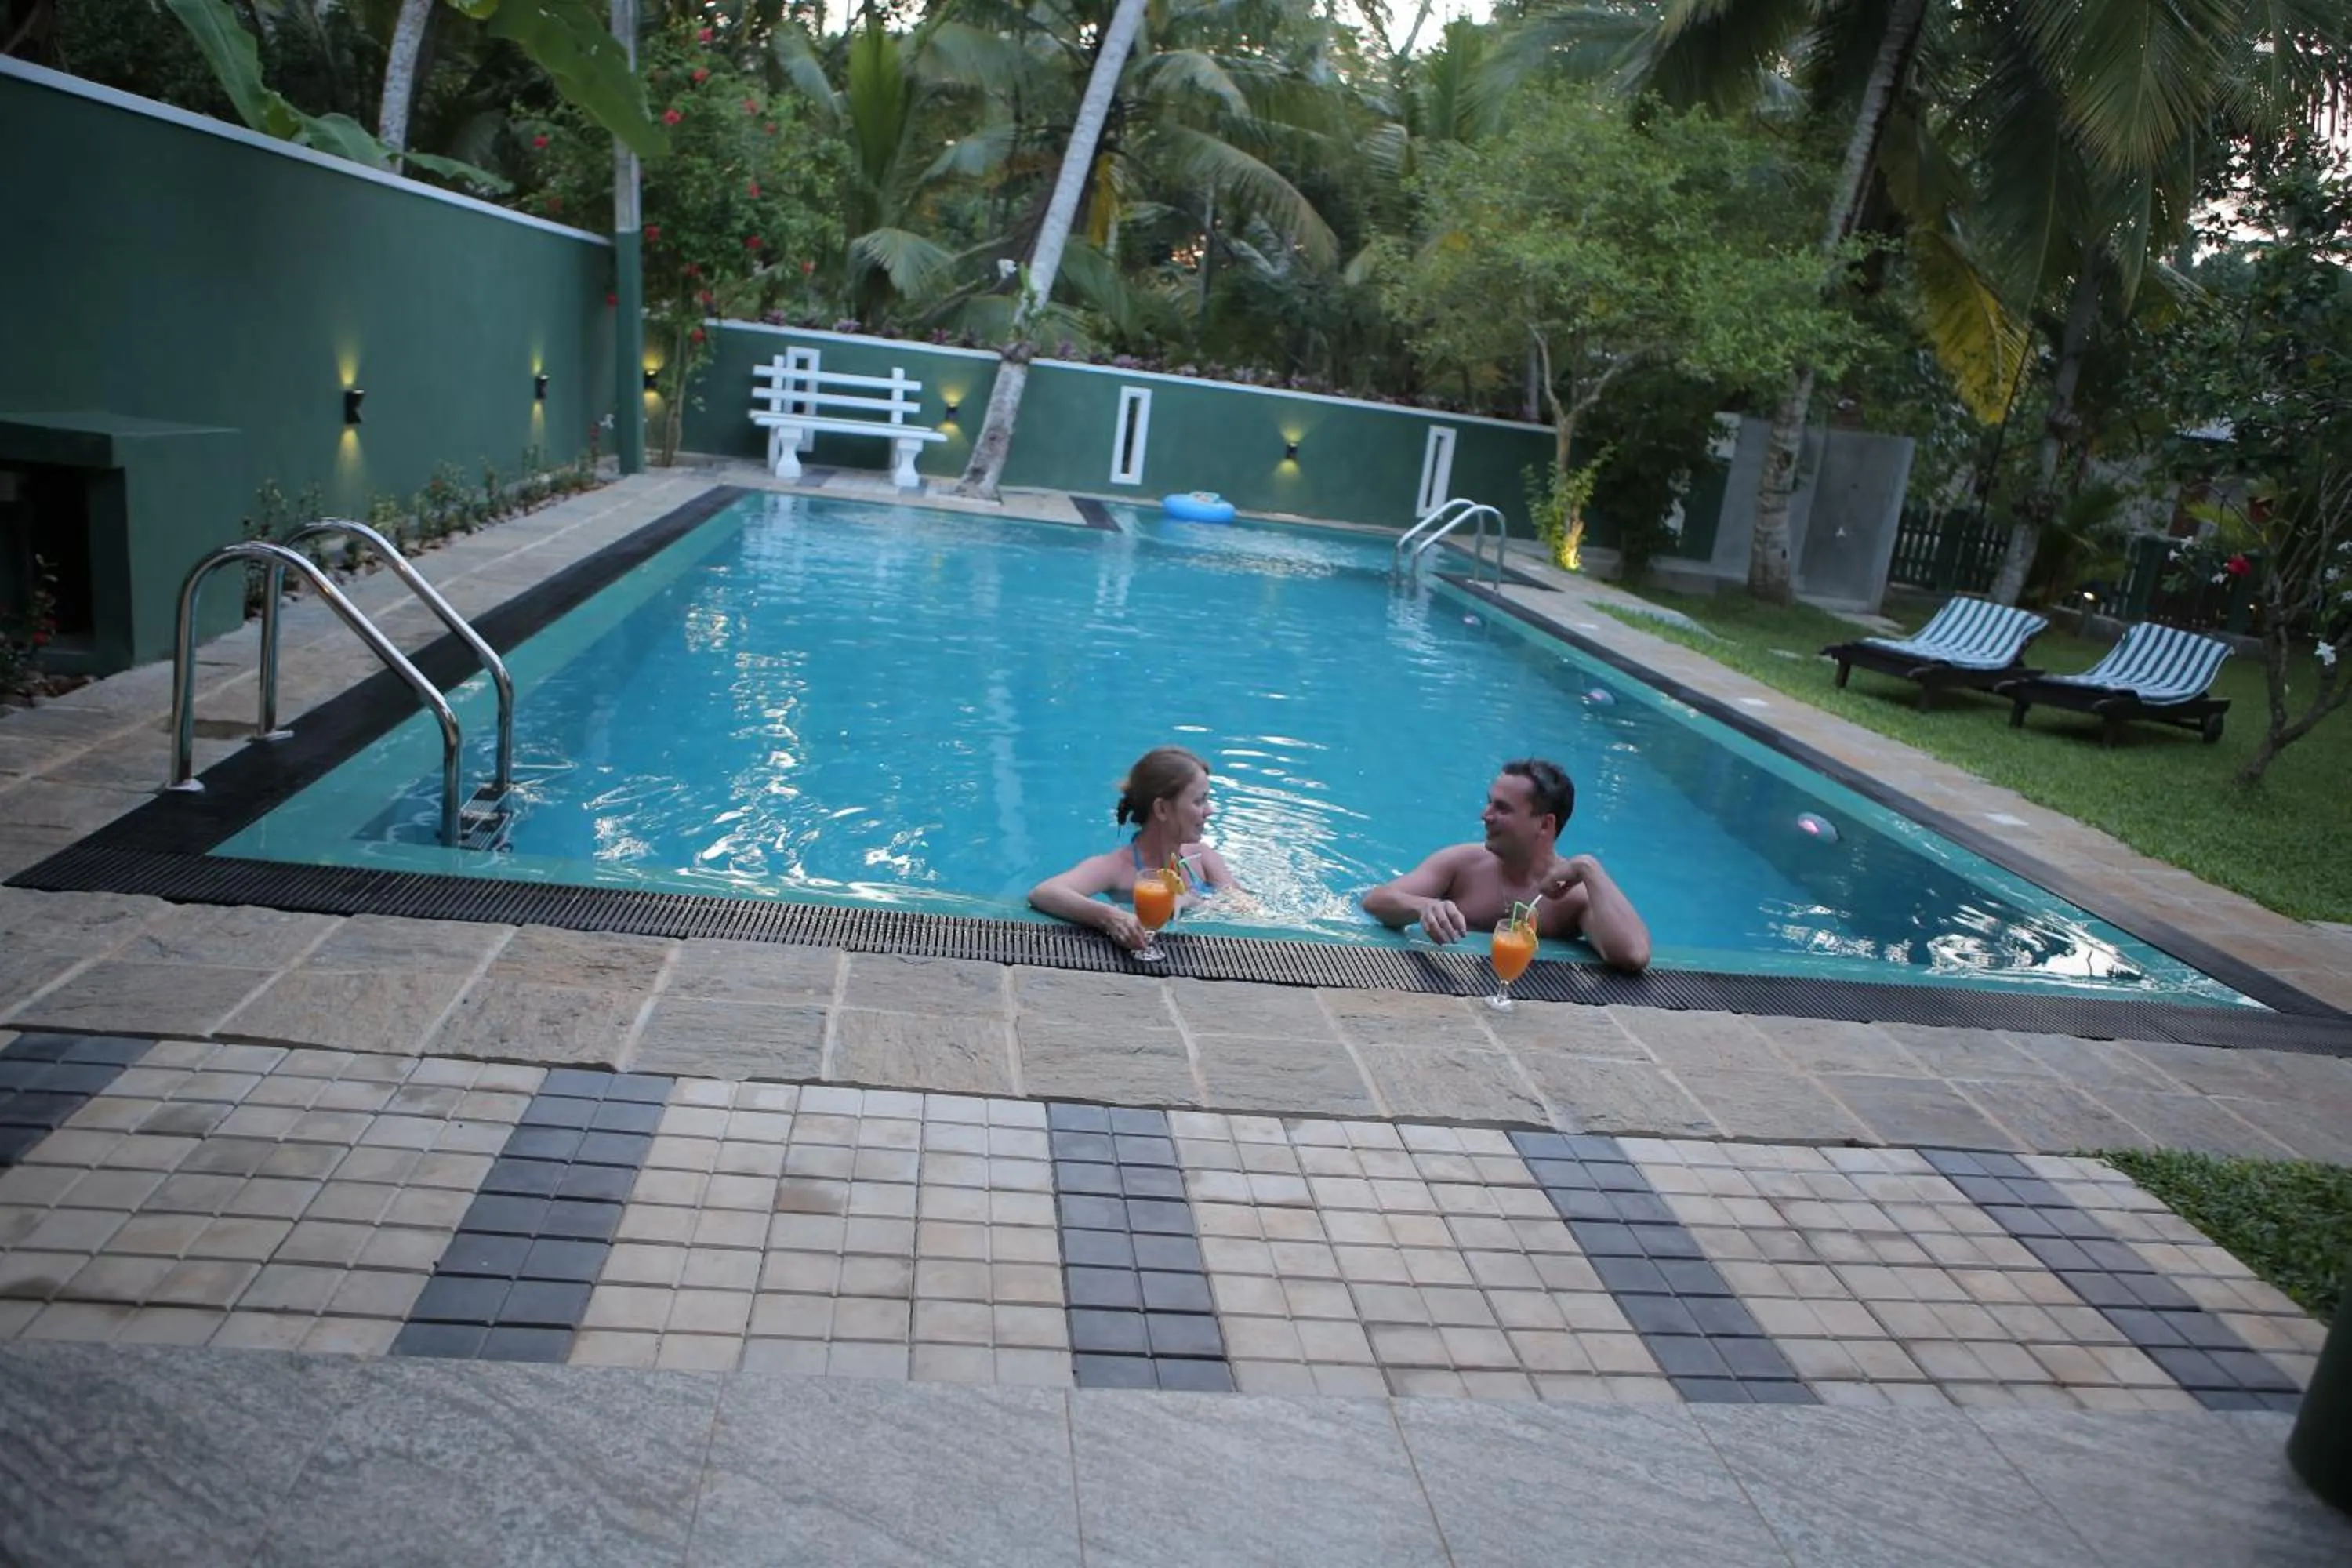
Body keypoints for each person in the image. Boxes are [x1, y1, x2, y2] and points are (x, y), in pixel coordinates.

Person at [1363, 757, 1651, 973]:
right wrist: (1422, 907)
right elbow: (1376, 901)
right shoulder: (1463, 863)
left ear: (1545, 824)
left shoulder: (1572, 896)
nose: (1485, 815)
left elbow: (1634, 955)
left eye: (1502, 808)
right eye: (1490, 803)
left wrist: (1589, 867)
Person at [1029, 746, 1240, 950]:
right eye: (1199, 801)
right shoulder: (1118, 868)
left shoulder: (1201, 857)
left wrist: (1189, 900)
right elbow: (1044, 893)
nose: (1209, 811)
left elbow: (1245, 908)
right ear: (1162, 809)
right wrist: (1112, 918)